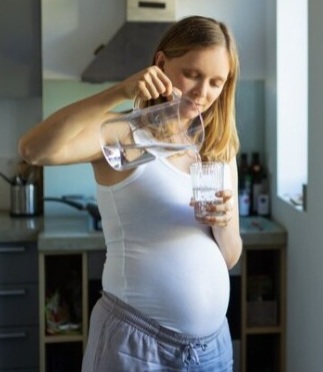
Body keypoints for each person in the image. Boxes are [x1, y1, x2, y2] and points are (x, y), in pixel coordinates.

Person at [19, 16, 242, 372]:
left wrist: (226, 222)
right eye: (193, 74)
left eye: (217, 82)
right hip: (137, 346)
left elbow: (229, 257)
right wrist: (121, 91)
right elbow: (33, 149)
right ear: (160, 65)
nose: (204, 92)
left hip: (212, 350)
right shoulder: (125, 134)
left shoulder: (218, 147)